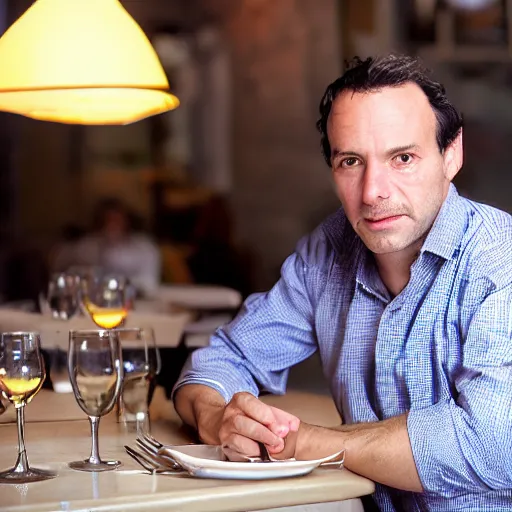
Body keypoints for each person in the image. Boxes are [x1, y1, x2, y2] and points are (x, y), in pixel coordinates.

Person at [172, 54, 512, 511]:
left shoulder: (499, 261)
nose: (373, 191)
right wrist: (219, 420)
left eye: (403, 158)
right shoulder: (327, 252)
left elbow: (492, 442)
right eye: (351, 161)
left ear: (451, 155)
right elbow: (225, 358)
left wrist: (309, 442)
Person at [53, 198, 161, 297]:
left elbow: (149, 283)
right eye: (107, 220)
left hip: (138, 303)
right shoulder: (88, 246)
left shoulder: (145, 248)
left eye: (116, 220)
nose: (112, 225)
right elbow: (64, 268)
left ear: (127, 221)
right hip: (98, 303)